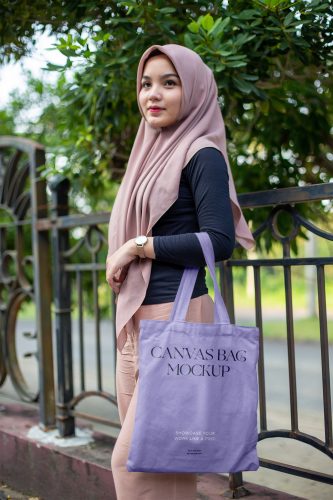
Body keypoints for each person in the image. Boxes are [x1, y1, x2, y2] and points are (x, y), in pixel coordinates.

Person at [106, 43, 254, 500]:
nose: (153, 94)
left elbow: (218, 241)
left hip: (179, 321)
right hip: (140, 325)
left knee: (131, 464)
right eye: (146, 83)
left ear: (193, 91)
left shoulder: (201, 152)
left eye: (169, 83)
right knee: (161, 466)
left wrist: (138, 246)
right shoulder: (149, 155)